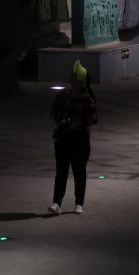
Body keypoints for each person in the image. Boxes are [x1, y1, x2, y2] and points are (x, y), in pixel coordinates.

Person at [49, 59, 97, 215]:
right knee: (61, 173)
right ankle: (57, 203)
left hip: (80, 141)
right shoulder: (62, 96)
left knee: (79, 172)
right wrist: (63, 121)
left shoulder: (87, 99)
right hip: (63, 139)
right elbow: (54, 113)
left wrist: (77, 124)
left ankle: (79, 203)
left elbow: (91, 119)